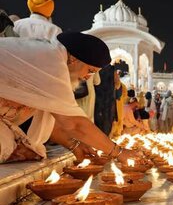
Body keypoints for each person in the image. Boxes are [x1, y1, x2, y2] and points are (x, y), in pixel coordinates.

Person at [0, 31, 140, 163]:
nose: (87, 78)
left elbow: (55, 120)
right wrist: (118, 152)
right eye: (90, 71)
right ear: (73, 59)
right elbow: (74, 124)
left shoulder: (51, 54)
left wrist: (73, 144)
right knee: (8, 145)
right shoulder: (52, 62)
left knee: (18, 144)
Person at [93, 64, 117, 136]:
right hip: (108, 102)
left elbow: (96, 82)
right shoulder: (112, 69)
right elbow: (117, 84)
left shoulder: (94, 66)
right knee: (106, 125)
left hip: (97, 100)